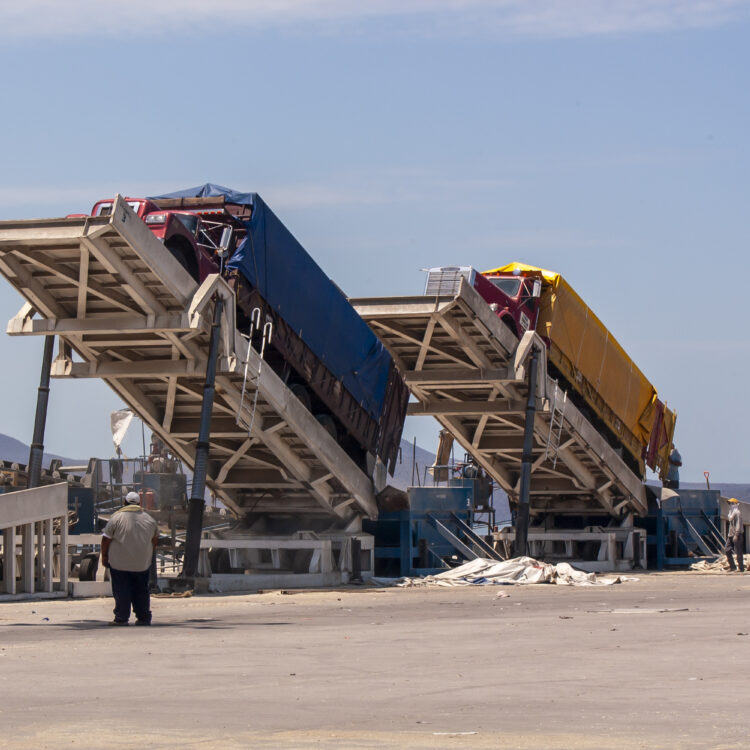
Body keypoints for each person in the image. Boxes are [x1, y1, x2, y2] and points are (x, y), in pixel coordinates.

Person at [101, 491, 159, 625]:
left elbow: (106, 540)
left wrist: (104, 557)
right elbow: (155, 540)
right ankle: (144, 618)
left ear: (124, 503)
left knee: (122, 590)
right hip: (141, 564)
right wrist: (147, 555)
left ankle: (121, 618)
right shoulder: (150, 520)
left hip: (119, 564)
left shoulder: (116, 518)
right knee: (141, 591)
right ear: (139, 503)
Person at [725, 497, 744, 573]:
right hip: (731, 535)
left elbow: (738, 524)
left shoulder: (737, 513)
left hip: (737, 535)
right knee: (727, 550)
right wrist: (730, 535)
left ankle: (741, 568)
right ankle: (732, 567)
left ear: (736, 504)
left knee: (738, 551)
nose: (730, 505)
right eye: (730, 503)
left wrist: (736, 534)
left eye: (732, 503)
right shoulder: (730, 513)